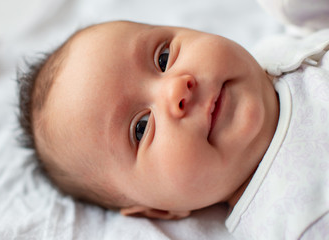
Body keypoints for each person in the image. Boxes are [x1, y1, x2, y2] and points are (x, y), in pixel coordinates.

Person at [17, 2, 329, 239]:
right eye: (141, 128)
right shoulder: (292, 220)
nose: (176, 88)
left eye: (163, 58)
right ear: (162, 210)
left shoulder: (273, 54)